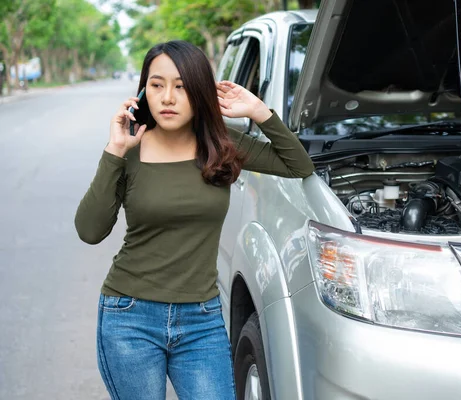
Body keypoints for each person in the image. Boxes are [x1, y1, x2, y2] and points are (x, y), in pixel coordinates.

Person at [74, 40, 314, 400]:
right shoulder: (128, 149)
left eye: (181, 86)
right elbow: (89, 230)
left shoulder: (221, 143)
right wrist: (114, 151)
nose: (167, 97)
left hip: (201, 321)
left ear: (200, 92)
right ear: (142, 92)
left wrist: (259, 112)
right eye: (157, 85)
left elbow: (299, 165)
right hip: (129, 317)